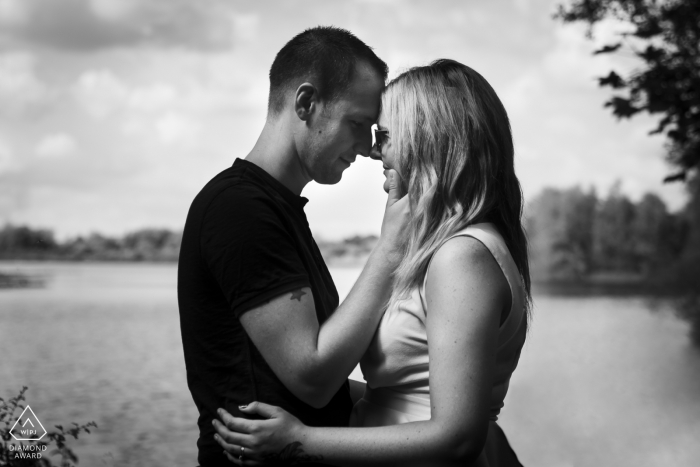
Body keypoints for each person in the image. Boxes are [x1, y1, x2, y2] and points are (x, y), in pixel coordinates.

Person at [212, 59, 532, 466]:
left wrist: (299, 439)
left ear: (429, 139)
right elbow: (405, 397)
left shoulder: (461, 258)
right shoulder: (448, 251)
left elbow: (457, 437)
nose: (374, 150)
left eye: (384, 135)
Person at [177, 26, 409, 467]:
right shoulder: (238, 210)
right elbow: (313, 377)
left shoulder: (277, 208)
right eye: (357, 124)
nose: (367, 149)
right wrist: (391, 249)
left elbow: (317, 389)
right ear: (306, 103)